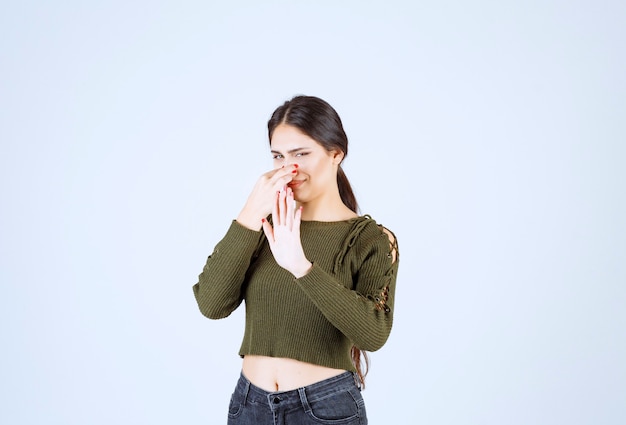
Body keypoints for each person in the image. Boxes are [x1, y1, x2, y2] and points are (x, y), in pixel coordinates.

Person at [193, 95, 399, 425]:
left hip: (325, 409)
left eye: (301, 154)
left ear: (336, 154)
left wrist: (301, 267)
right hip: (249, 404)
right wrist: (249, 213)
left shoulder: (370, 239)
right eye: (278, 156)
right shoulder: (262, 227)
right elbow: (211, 303)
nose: (289, 168)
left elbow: (373, 335)